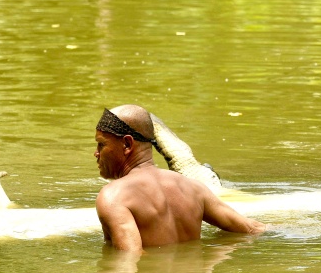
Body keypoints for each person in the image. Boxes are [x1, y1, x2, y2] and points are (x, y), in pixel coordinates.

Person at [94, 104, 266, 251]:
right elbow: (253, 229)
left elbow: (130, 260)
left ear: (127, 144)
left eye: (101, 144)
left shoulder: (114, 197)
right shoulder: (194, 188)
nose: (96, 153)